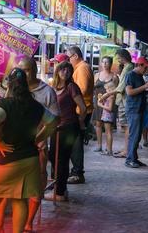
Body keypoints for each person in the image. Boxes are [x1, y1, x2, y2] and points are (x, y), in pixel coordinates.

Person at [0, 68, 58, 233]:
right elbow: (53, 122)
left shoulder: (6, 104)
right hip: (29, 160)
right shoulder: (36, 107)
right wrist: (38, 139)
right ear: (26, 85)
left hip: (5, 161)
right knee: (20, 201)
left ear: (9, 85)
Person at [45, 61, 86, 201]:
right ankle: (60, 188)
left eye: (68, 70)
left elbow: (83, 108)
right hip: (56, 127)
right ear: (57, 71)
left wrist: (80, 123)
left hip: (68, 127)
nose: (65, 72)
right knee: (53, 157)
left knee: (61, 159)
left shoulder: (71, 87)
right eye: (63, 69)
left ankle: (60, 193)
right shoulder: (54, 87)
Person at [66, 46, 94, 184]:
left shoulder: (82, 68)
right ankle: (76, 171)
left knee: (76, 144)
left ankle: (77, 172)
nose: (68, 61)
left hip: (81, 112)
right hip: (79, 111)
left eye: (69, 58)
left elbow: (81, 90)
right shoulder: (81, 68)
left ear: (75, 56)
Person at [101, 49, 134, 158]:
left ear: (123, 57)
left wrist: (107, 94)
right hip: (122, 100)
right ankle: (126, 149)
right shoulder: (127, 67)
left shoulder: (128, 67)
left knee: (126, 126)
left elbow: (121, 87)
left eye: (119, 58)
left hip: (124, 100)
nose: (118, 60)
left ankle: (127, 150)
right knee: (125, 126)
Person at [125, 57, 148, 168]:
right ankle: (130, 159)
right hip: (133, 109)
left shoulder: (140, 76)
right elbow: (130, 92)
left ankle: (134, 158)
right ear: (140, 65)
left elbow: (139, 91)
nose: (147, 70)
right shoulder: (130, 75)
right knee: (134, 135)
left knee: (137, 136)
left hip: (140, 108)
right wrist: (145, 86)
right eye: (145, 68)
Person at [92, 56, 118, 152]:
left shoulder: (114, 77)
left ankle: (109, 148)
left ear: (111, 64)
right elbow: (93, 88)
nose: (105, 64)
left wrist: (108, 97)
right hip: (98, 102)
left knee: (108, 127)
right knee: (98, 124)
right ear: (101, 64)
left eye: (107, 62)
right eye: (103, 62)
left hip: (108, 103)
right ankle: (99, 145)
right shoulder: (97, 75)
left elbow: (116, 91)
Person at [97, 81, 117, 155]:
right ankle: (108, 148)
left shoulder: (111, 97)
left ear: (110, 89)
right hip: (107, 115)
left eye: (107, 89)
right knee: (108, 132)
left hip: (108, 116)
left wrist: (101, 105)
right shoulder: (109, 96)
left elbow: (110, 108)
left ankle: (109, 150)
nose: (106, 91)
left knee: (108, 132)